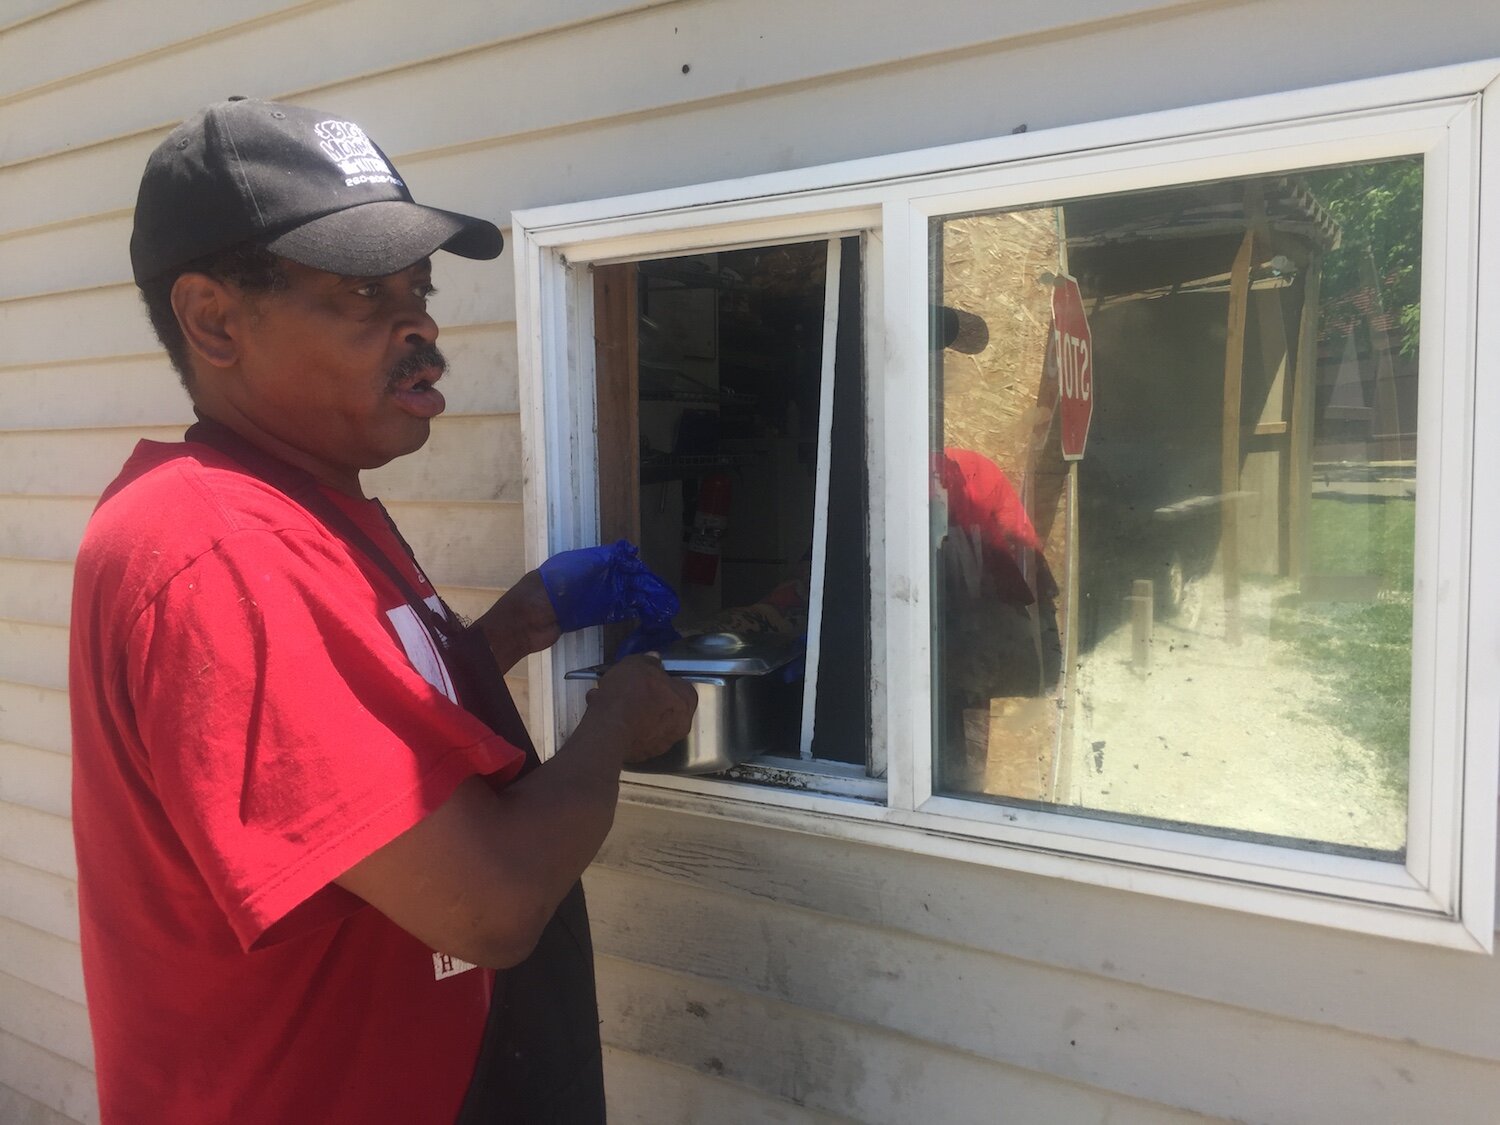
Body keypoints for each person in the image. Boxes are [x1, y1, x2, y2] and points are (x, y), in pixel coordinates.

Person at [68, 96, 697, 1124]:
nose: (421, 326)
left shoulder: (305, 506)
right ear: (214, 319)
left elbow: (368, 744)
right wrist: (616, 723)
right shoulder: (222, 551)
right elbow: (487, 904)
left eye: (419, 288)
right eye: (365, 292)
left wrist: (517, 625)